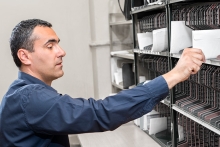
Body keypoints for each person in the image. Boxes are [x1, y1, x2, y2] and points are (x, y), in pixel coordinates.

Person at [0, 19, 205, 147]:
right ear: (24, 56)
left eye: (58, 44)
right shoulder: (29, 98)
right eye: (50, 46)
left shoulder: (21, 94)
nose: (61, 52)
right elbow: (99, 112)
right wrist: (175, 74)